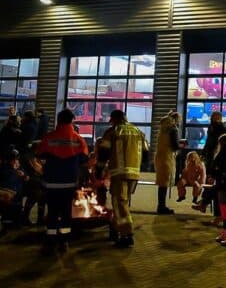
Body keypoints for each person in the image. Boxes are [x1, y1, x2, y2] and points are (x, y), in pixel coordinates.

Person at [37, 109, 89, 254]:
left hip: (51, 182)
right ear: (72, 121)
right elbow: (84, 159)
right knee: (66, 212)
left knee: (52, 211)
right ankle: (64, 242)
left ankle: (50, 241)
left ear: (59, 120)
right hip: (69, 182)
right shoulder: (78, 139)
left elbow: (40, 154)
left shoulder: (49, 138)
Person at [97, 110, 148, 248]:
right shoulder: (138, 131)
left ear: (114, 119)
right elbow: (146, 153)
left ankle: (126, 234)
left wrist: (98, 170)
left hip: (119, 173)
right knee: (123, 203)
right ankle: (115, 230)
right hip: (134, 173)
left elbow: (103, 153)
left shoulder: (113, 131)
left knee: (119, 203)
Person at [201, 111, 226, 224]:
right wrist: (204, 151)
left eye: (214, 117)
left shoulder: (221, 128)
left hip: (216, 160)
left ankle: (205, 202)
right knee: (211, 181)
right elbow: (208, 141)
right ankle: (204, 202)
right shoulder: (211, 127)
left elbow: (215, 141)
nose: (211, 119)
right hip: (211, 157)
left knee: (215, 184)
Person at [154, 112, 181, 215]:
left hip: (159, 157)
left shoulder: (162, 130)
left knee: (162, 182)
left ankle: (161, 205)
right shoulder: (173, 130)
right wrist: (181, 145)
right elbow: (174, 146)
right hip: (168, 157)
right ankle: (161, 207)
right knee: (164, 183)